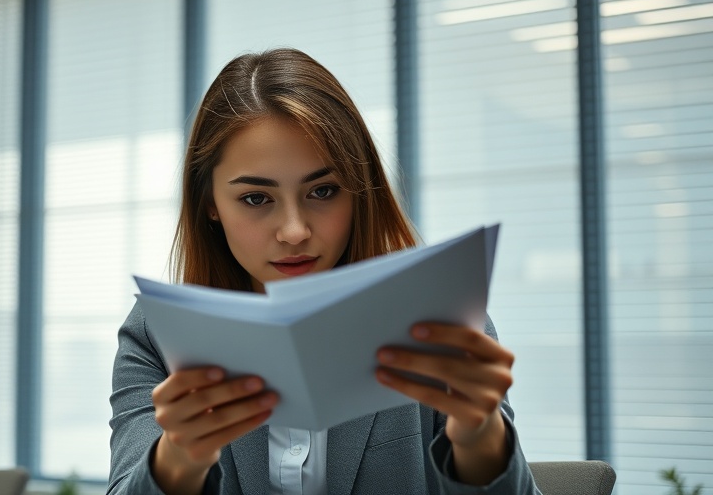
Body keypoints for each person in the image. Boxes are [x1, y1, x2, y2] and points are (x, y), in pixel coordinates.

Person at [108, 48, 539, 495]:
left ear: (358, 192)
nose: (294, 231)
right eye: (256, 198)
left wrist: (480, 441)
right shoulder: (156, 338)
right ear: (210, 205)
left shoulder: (440, 321)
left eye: (324, 190)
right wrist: (178, 461)